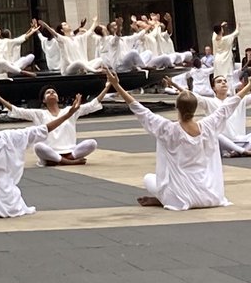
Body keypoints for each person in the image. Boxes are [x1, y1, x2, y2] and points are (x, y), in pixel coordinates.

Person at [105, 68, 251, 210]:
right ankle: (162, 198)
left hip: (180, 197)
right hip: (210, 194)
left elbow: (139, 109)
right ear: (195, 109)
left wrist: (116, 85)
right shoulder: (207, 126)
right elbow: (230, 105)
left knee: (149, 178)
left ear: (176, 107)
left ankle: (162, 199)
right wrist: (249, 86)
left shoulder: (168, 129)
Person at [0, 82, 110, 166]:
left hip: (70, 151)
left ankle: (65, 159)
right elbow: (17, 111)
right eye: (48, 92)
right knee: (38, 147)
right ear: (44, 100)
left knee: (92, 143)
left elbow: (92, 105)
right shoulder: (39, 114)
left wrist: (107, 87)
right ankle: (67, 162)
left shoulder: (70, 110)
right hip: (50, 151)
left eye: (53, 92)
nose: (51, 93)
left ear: (57, 98)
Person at [164, 75, 251, 158]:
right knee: (214, 133)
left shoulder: (239, 100)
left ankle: (237, 151)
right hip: (221, 142)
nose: (223, 83)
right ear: (214, 88)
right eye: (219, 82)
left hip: (240, 140)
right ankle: (241, 151)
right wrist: (174, 84)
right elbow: (190, 95)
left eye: (225, 81)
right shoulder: (209, 101)